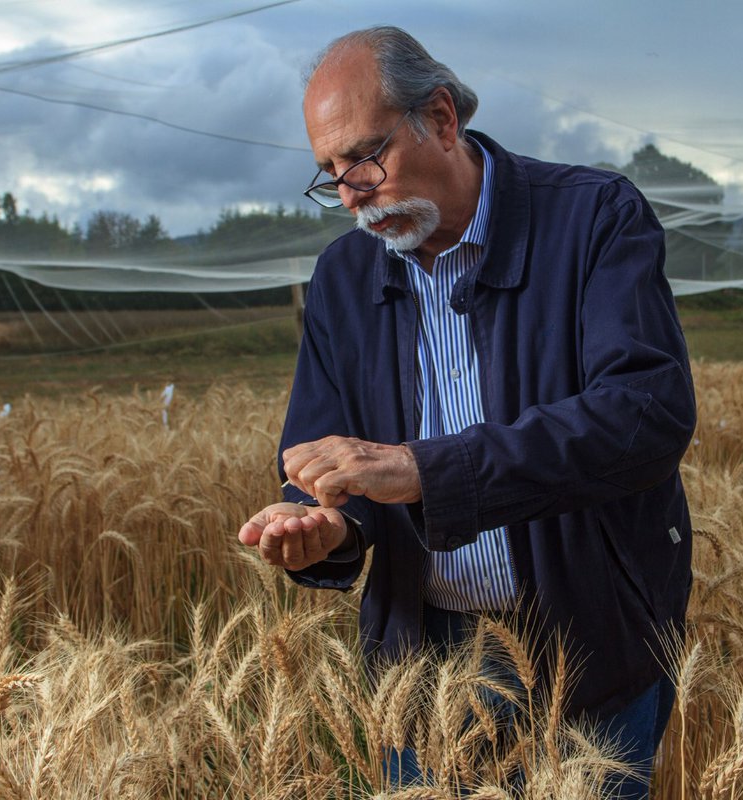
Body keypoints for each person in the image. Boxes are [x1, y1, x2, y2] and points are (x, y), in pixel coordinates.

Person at [237, 25, 696, 798]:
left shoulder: (594, 220)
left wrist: (422, 469)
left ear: (442, 119)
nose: (349, 192)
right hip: (425, 667)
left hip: (595, 648)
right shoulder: (345, 277)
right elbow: (323, 460)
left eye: (363, 156)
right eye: (329, 172)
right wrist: (326, 528)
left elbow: (644, 414)